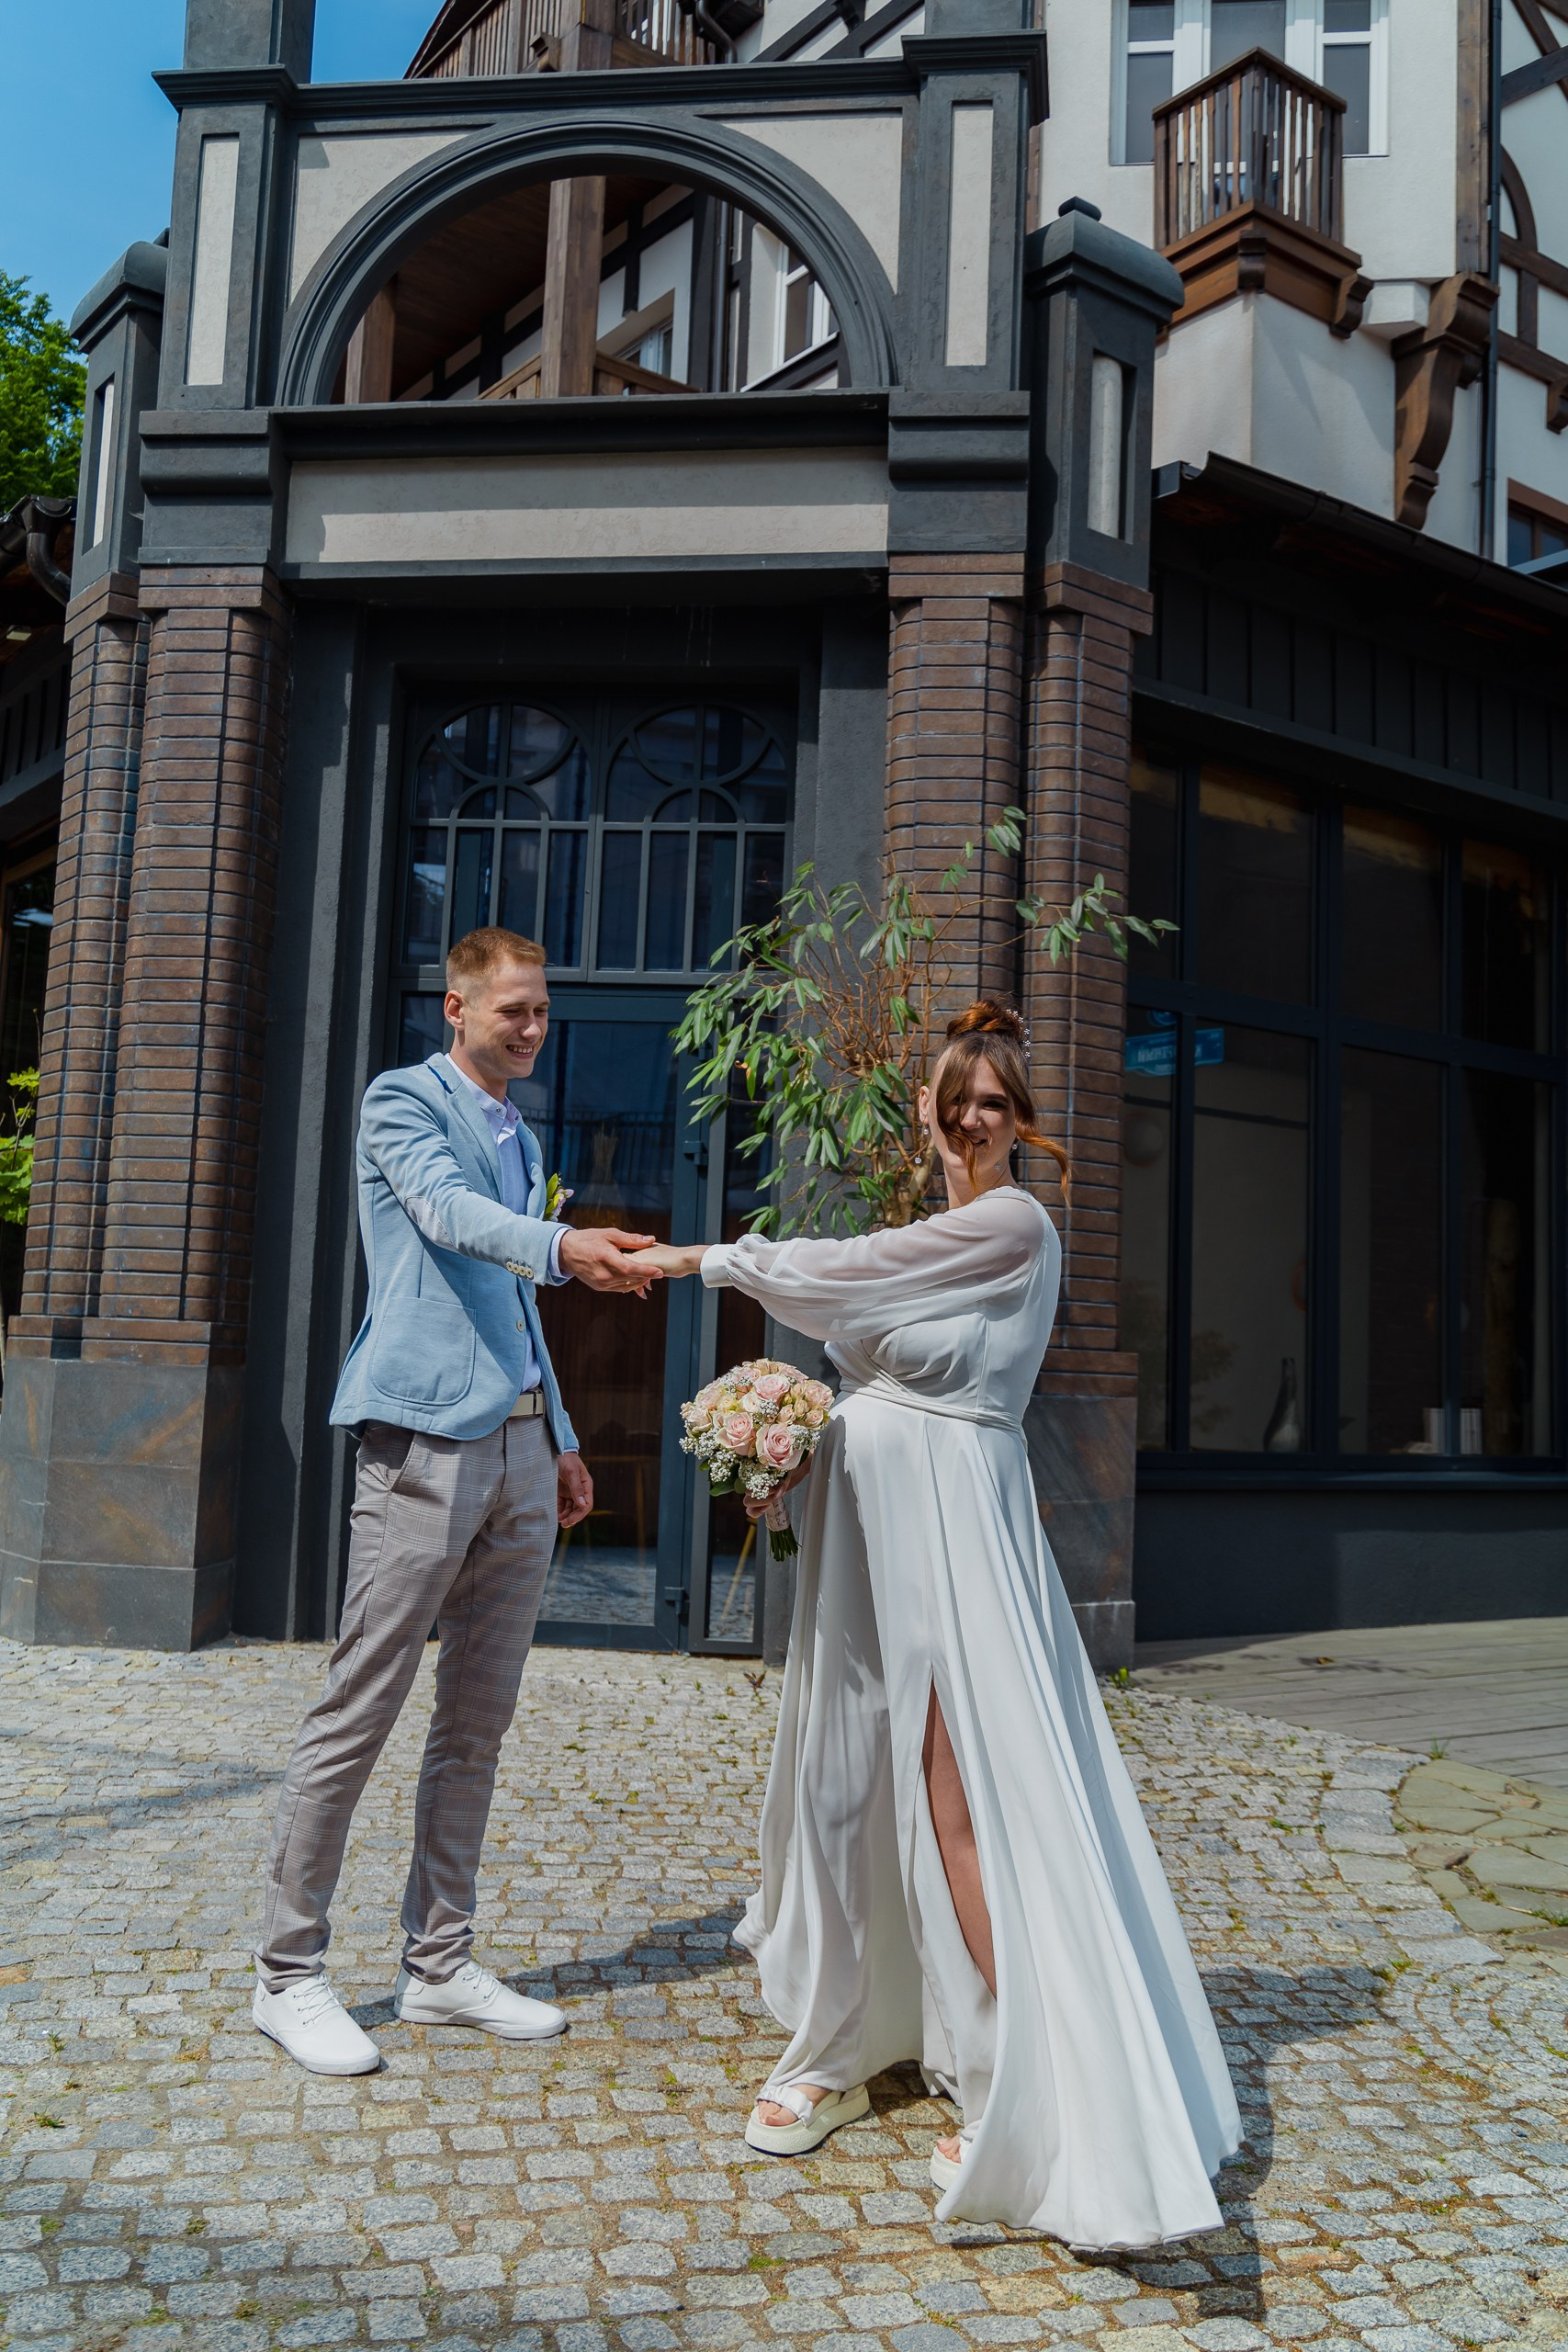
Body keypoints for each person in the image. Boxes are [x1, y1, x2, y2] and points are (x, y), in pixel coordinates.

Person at [630, 1000, 1242, 2249]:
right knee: (843, 1784)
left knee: (962, 1796)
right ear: (927, 1109)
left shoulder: (1012, 1224)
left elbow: (846, 1275)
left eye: (992, 1102)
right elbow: (853, 1340)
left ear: (1019, 1120)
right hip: (864, 1548)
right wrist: (786, 1445)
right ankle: (847, 2044)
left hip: (958, 1544)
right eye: (955, 1098)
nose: (970, 1118)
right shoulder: (933, 1240)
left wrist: (706, 1259)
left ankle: (1021, 2074)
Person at [254, 927, 660, 2076]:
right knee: (360, 1705)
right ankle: (286, 1974)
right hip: (424, 1442)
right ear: (458, 1006)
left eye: (542, 1011)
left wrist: (562, 1435)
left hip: (522, 1448)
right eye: (513, 1009)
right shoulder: (403, 1102)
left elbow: (515, 1301)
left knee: (477, 1721)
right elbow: (447, 1217)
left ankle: (438, 1964)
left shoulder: (521, 1132)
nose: (532, 1028)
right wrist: (566, 1242)